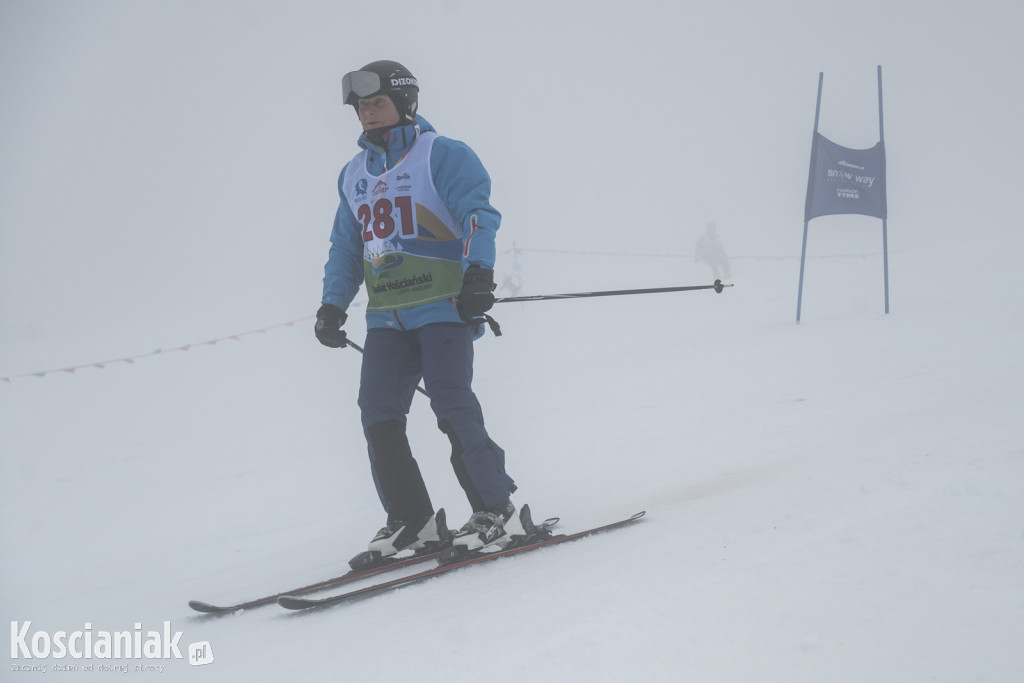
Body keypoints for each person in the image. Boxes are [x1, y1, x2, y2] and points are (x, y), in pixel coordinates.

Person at [314, 60, 521, 567]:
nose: (368, 113)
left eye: (377, 102)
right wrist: (332, 304)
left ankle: (496, 509)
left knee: (451, 405)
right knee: (378, 413)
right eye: (361, 107)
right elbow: (347, 247)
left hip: (443, 308)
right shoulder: (354, 174)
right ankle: (414, 520)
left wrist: (478, 275)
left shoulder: (442, 154)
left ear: (405, 102)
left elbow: (477, 216)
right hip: (387, 317)